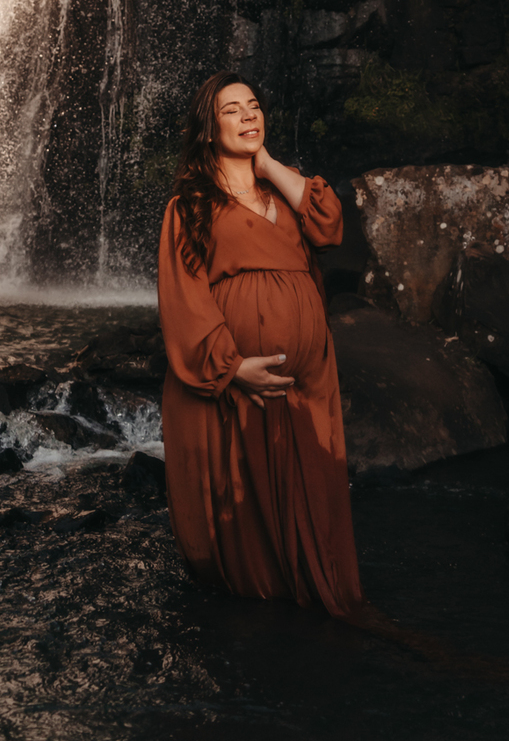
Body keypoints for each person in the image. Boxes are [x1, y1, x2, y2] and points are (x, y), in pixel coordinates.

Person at [156, 69, 366, 620]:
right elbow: (185, 295)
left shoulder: (284, 189)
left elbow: (329, 227)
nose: (248, 115)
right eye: (232, 109)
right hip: (241, 378)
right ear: (207, 127)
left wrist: (268, 163)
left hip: (308, 378)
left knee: (308, 494)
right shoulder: (190, 204)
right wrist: (231, 367)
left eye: (254, 106)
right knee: (249, 505)